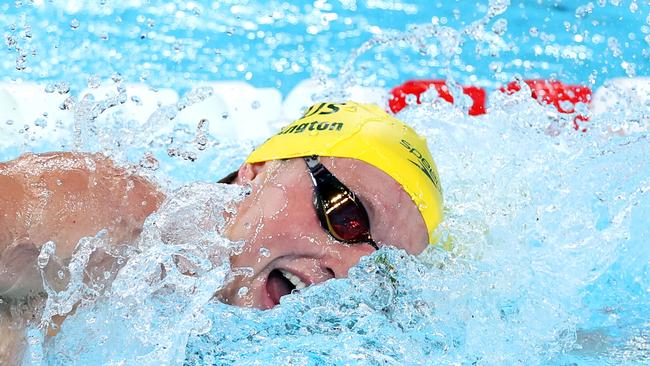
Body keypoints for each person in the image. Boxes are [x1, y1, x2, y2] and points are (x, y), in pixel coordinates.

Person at [0, 101, 443, 363]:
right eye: (346, 217)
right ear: (259, 170)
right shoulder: (93, 212)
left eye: (379, 267)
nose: (345, 271)